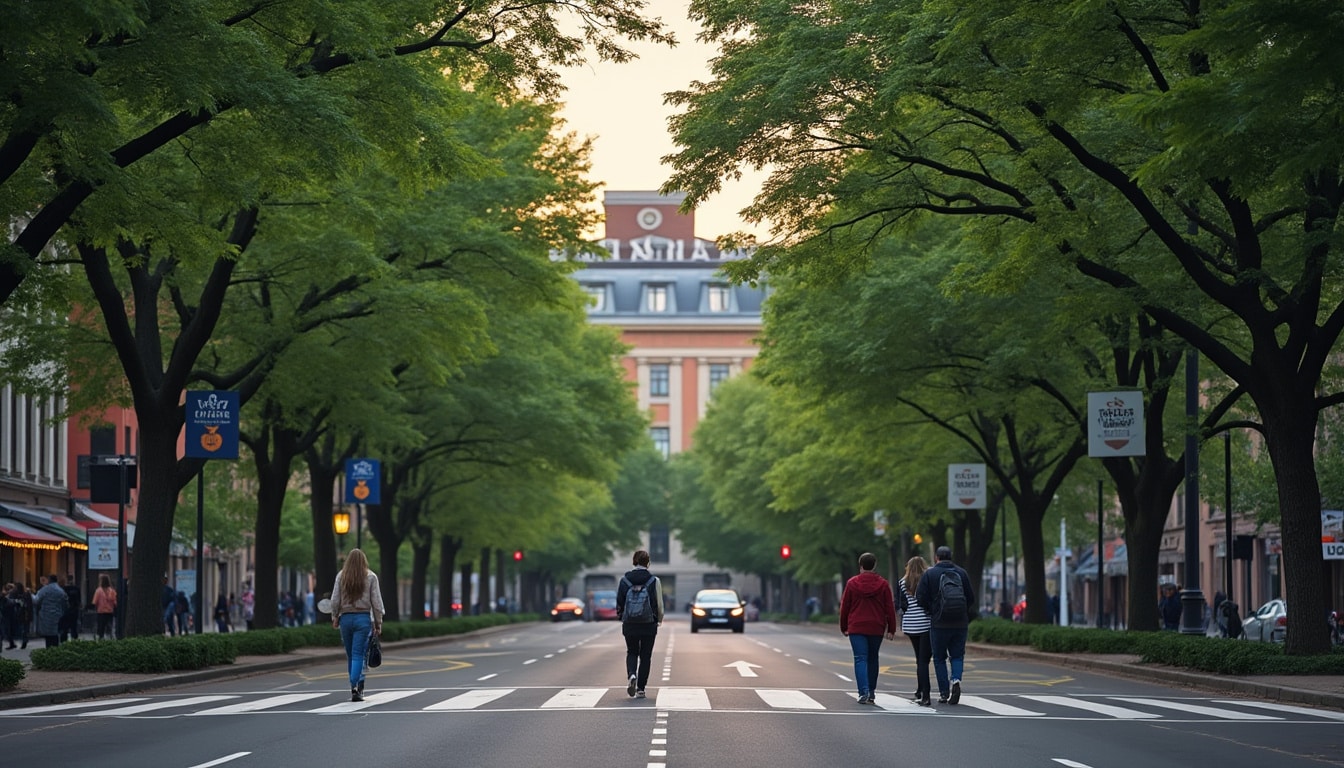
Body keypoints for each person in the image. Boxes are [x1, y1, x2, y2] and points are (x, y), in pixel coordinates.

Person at [916, 546, 975, 705]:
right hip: (960, 622)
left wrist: (931, 610)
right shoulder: (962, 573)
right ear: (951, 556)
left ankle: (944, 692)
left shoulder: (929, 573)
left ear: (936, 558)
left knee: (939, 657)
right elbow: (970, 598)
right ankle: (956, 680)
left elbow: (920, 597)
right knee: (957, 655)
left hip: (939, 623)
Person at [839, 552, 898, 705]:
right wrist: (891, 628)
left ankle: (862, 691)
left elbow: (845, 606)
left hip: (856, 626)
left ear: (860, 566)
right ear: (874, 565)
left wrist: (844, 626)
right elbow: (889, 607)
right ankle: (871, 691)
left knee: (860, 659)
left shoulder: (852, 583)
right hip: (876, 626)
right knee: (873, 658)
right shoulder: (883, 584)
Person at [331, 548, 385, 702]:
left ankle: (354, 686)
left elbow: (335, 600)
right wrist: (378, 622)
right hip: (363, 617)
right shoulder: (371, 576)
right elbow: (377, 603)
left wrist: (335, 616)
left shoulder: (341, 576)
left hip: (345, 618)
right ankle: (356, 685)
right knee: (358, 654)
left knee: (351, 655)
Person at [616, 549, 664, 699]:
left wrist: (622, 617)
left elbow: (619, 602)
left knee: (632, 651)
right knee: (645, 655)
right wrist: (659, 619)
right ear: (648, 563)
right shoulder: (654, 581)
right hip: (649, 624)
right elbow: (659, 604)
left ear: (634, 561)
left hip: (630, 623)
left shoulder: (624, 581)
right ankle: (641, 688)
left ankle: (631, 675)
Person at [897, 556, 933, 706]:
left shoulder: (902, 582)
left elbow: (902, 604)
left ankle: (919, 690)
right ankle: (926, 694)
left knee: (919, 659)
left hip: (911, 623)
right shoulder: (928, 580)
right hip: (926, 622)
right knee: (924, 660)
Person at [33, 574, 69, 648]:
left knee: (48, 638)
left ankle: (49, 652)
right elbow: (65, 603)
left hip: (45, 616)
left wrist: (30, 594)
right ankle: (54, 652)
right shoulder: (60, 590)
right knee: (55, 636)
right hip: (57, 616)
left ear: (49, 580)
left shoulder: (45, 589)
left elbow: (36, 600)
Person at [92, 574, 117, 640]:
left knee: (101, 629)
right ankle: (110, 639)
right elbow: (115, 603)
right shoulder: (112, 591)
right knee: (110, 628)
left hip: (101, 612)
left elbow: (94, 602)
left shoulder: (98, 591)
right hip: (110, 612)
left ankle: (101, 639)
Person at [60, 574, 81, 642]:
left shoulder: (63, 589)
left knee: (64, 627)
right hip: (74, 610)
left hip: (66, 610)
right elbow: (79, 600)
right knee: (73, 626)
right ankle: (74, 639)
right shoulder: (76, 588)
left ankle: (64, 640)